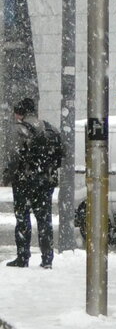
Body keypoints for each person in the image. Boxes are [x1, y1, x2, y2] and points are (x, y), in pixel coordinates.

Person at [5, 97, 62, 269]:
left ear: (21, 113)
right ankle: (47, 258)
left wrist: (8, 175)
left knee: (23, 219)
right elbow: (62, 152)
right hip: (45, 180)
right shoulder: (49, 128)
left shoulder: (19, 129)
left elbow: (13, 156)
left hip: (24, 180)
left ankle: (23, 257)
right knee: (44, 219)